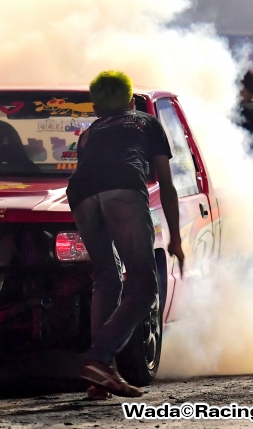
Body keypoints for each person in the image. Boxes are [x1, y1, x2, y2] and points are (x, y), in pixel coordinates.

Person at [66, 71, 184, 399]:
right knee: (144, 287)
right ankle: (99, 359)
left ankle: (99, 380)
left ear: (96, 108)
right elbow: (167, 185)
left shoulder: (88, 134)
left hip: (79, 194)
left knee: (106, 278)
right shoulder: (147, 122)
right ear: (132, 102)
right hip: (123, 187)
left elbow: (87, 174)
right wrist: (175, 238)